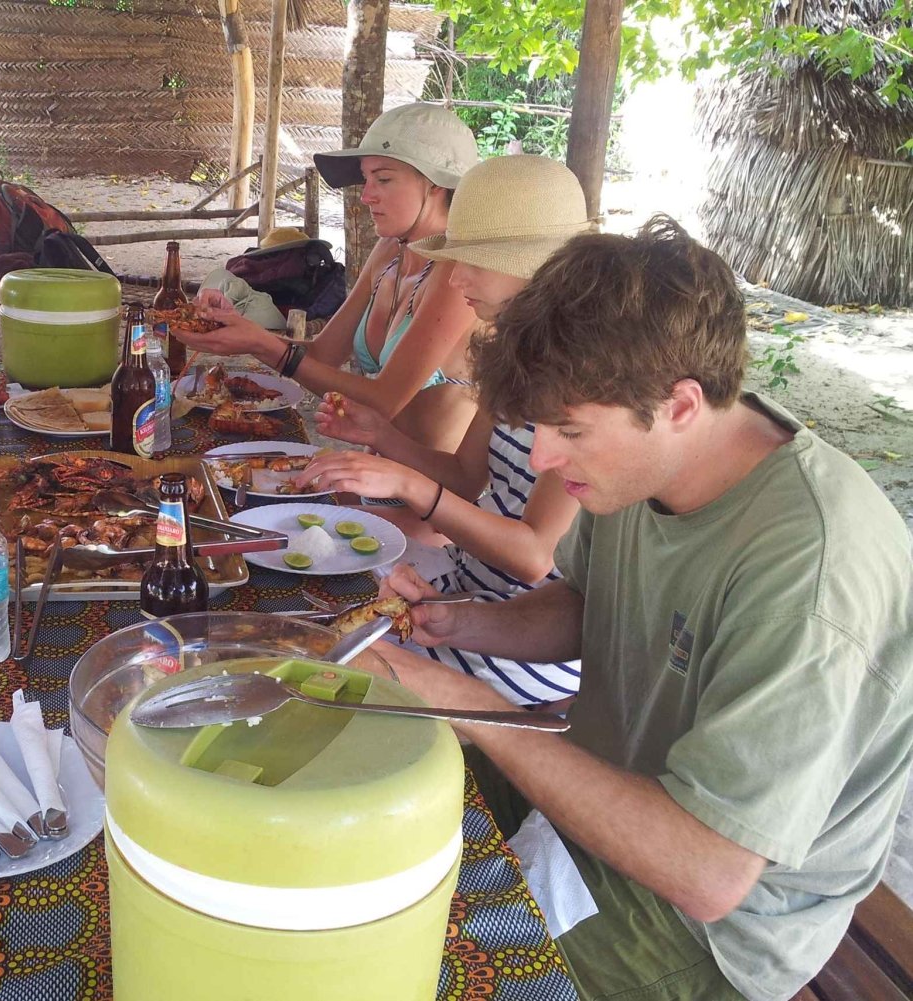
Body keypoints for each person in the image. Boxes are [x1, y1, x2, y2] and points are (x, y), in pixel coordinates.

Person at [374, 215, 913, 999]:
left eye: (568, 430)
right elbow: (585, 604)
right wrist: (457, 623)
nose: (544, 457)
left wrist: (474, 704)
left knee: (414, 969)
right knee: (376, 804)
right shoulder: (643, 460)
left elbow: (709, 872)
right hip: (606, 789)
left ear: (681, 404)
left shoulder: (811, 576)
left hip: (710, 925)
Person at [300, 156, 592, 705]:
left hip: (529, 635)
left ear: (537, 273)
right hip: (463, 595)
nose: (456, 279)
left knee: (321, 680)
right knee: (305, 628)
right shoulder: (514, 356)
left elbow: (535, 556)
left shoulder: (590, 386)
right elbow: (464, 476)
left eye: (474, 263)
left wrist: (408, 484)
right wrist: (382, 438)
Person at [172, 103, 482, 452]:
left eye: (383, 179)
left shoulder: (459, 272)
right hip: (371, 470)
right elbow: (323, 355)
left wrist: (259, 343)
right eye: (366, 179)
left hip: (429, 483)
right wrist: (239, 330)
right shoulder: (389, 252)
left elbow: (384, 401)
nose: (366, 195)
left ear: (436, 184)